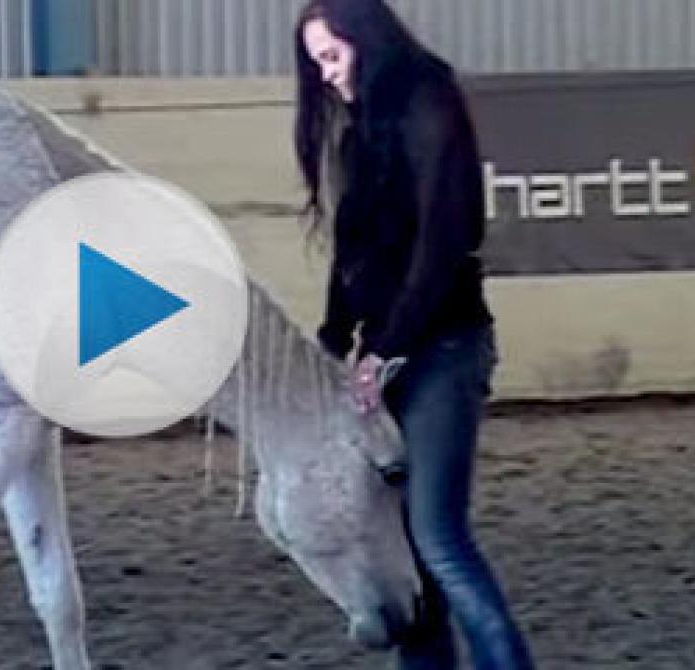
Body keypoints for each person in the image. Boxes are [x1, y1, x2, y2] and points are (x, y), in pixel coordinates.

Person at [292, 1, 536, 668]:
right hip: (390, 354)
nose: (326, 75)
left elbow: (443, 242)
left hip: (443, 350)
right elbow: (353, 249)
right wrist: (334, 339)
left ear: (366, 40)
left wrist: (386, 349)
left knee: (438, 538)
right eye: (317, 63)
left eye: (332, 56)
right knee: (406, 555)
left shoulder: (430, 102)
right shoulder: (361, 131)